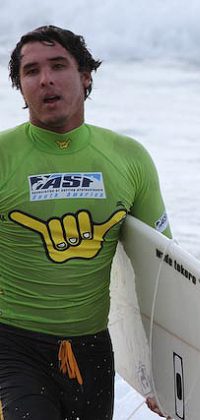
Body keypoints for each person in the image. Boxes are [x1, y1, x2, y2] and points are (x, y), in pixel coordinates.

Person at [0, 26, 171, 419]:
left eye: (58, 66)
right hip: (12, 347)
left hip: (91, 351)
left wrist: (162, 376)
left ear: (85, 76)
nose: (45, 79)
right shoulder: (4, 157)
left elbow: (161, 272)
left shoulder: (128, 159)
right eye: (31, 71)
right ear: (20, 87)